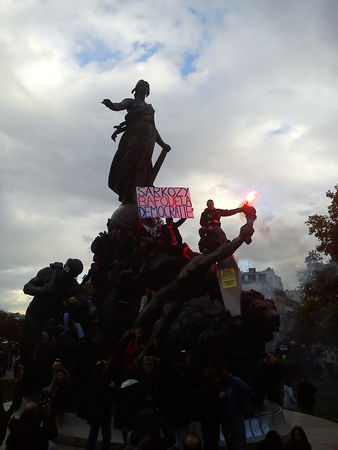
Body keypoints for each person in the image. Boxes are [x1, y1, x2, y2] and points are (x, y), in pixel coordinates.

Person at [102, 80, 171, 203]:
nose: (144, 88)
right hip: (133, 135)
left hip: (149, 136)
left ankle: (139, 192)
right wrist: (110, 105)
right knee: (127, 162)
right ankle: (126, 191)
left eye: (146, 86)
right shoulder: (130, 101)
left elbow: (154, 126)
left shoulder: (150, 108)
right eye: (142, 85)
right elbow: (118, 106)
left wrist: (162, 144)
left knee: (143, 165)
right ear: (136, 88)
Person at [217, 364, 251, 450]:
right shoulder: (221, 381)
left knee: (238, 439)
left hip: (236, 414)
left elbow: (248, 390)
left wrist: (243, 405)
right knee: (231, 439)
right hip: (226, 415)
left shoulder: (235, 381)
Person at [85, 360, 114, 450]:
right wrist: (111, 388)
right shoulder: (106, 381)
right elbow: (107, 397)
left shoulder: (93, 378)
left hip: (94, 411)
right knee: (106, 434)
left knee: (93, 433)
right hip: (103, 412)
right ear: (103, 368)